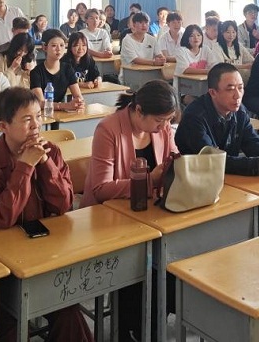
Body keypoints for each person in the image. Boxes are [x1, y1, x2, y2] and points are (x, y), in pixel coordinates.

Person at [0, 87, 93, 342]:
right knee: (11, 326)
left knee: (69, 314)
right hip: (2, 260)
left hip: (44, 251)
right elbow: (3, 218)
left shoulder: (52, 151)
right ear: (3, 126)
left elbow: (63, 205)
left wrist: (45, 162)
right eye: (27, 119)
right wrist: (25, 166)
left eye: (38, 116)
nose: (36, 125)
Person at [81, 81, 178, 342]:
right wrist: (149, 180)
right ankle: (132, 329)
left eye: (168, 121)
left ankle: (150, 325)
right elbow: (101, 189)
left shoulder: (163, 128)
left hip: (147, 216)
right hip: (107, 219)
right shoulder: (108, 129)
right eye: (159, 120)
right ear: (139, 110)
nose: (164, 126)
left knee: (172, 263)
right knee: (140, 266)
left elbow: (173, 161)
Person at [175, 63, 259, 177]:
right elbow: (212, 160)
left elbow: (252, 141)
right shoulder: (194, 116)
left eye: (240, 88)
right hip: (197, 177)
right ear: (213, 93)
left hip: (226, 176)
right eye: (230, 89)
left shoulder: (239, 111)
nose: (237, 95)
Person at [30, 29, 84, 111]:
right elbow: (41, 103)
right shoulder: (36, 72)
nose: (58, 49)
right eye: (54, 45)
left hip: (61, 113)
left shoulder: (67, 69)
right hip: (43, 114)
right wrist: (65, 105)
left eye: (62, 45)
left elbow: (78, 96)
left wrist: (79, 103)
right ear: (44, 47)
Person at [119, 12, 165, 85]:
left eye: (146, 23)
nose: (144, 25)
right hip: (131, 74)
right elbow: (135, 59)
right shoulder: (127, 40)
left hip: (150, 72)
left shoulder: (152, 39)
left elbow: (159, 55)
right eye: (140, 23)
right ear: (134, 25)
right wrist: (153, 62)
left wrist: (162, 59)